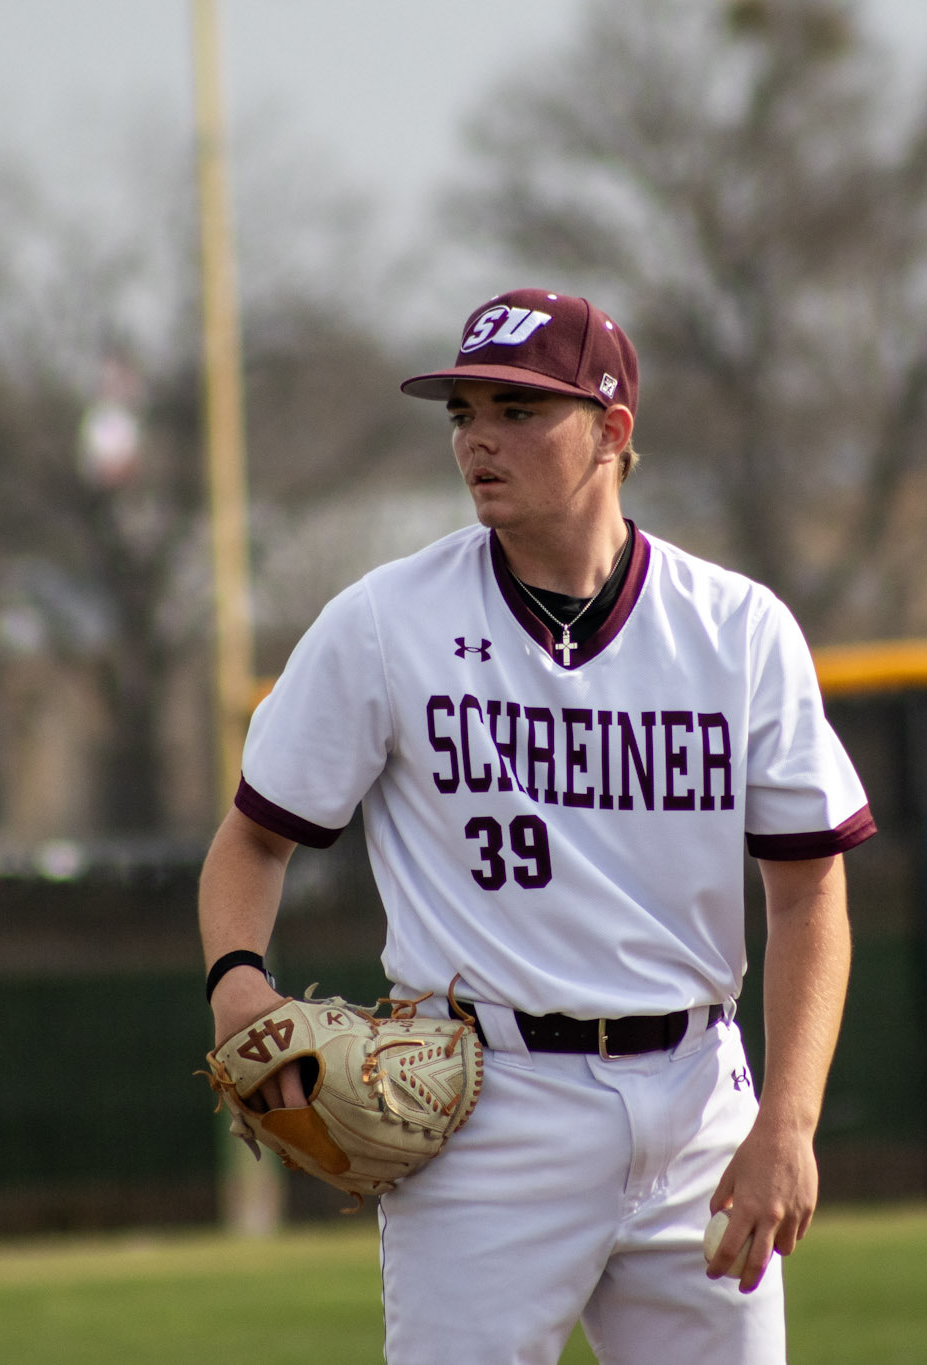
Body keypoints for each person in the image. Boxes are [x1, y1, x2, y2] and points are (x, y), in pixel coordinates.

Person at [200, 288, 872, 1365]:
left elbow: (808, 894)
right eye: (463, 413)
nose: (478, 439)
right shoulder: (386, 623)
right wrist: (237, 979)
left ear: (611, 431)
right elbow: (253, 839)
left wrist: (786, 1123)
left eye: (518, 411)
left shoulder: (737, 631)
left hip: (699, 1094)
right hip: (486, 1109)